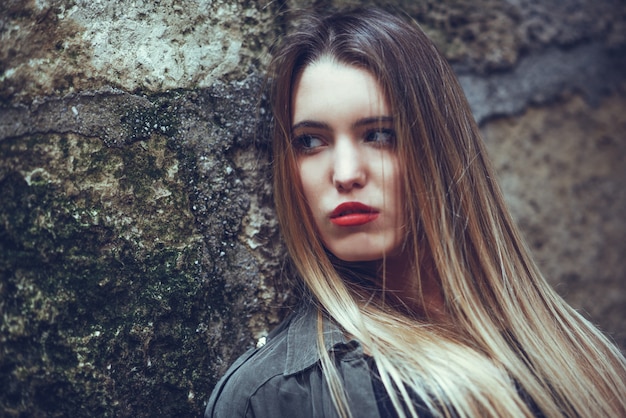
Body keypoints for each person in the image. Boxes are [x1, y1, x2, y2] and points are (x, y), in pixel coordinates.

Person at [205, 7, 626, 418]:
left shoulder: (586, 357)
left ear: (440, 149)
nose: (346, 174)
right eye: (311, 142)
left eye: (380, 135)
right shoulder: (270, 397)